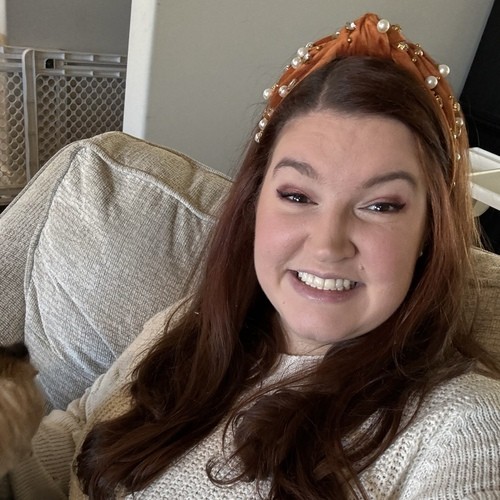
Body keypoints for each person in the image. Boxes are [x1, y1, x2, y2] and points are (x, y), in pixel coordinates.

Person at [8, 12, 500, 499]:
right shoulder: (182, 329)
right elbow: (69, 446)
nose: (327, 244)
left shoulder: (464, 429)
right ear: (254, 205)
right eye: (297, 196)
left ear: (429, 232)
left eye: (380, 205)